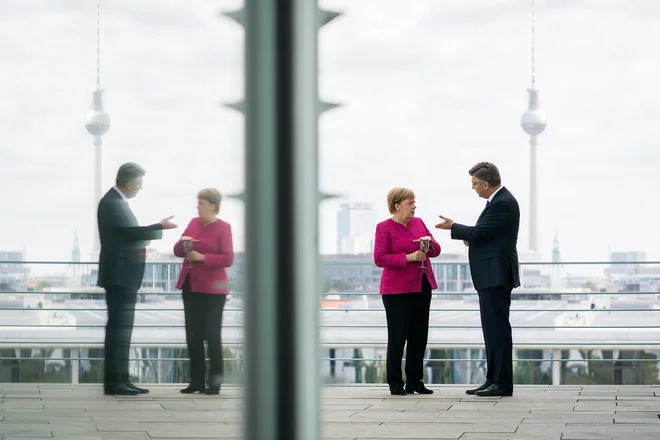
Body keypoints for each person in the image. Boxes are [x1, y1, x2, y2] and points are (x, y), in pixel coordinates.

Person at [435, 162, 519, 397]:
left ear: (485, 183)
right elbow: (488, 234)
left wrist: (454, 227)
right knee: (491, 330)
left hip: (496, 275)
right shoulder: (498, 202)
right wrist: (472, 238)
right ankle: (493, 379)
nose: (473, 189)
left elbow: (479, 232)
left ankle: (501, 383)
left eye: (474, 184)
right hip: (491, 275)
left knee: (497, 330)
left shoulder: (502, 203)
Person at [97, 162, 177, 396]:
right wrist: (159, 227)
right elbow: (129, 234)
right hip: (120, 276)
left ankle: (121, 379)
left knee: (122, 331)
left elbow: (128, 236)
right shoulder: (112, 203)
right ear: (129, 183)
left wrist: (147, 235)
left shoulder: (116, 202)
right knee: (119, 331)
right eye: (139, 185)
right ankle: (115, 382)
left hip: (124, 275)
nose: (140, 189)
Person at [374, 187, 441, 396]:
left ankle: (415, 382)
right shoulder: (384, 227)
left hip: (422, 286)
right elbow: (380, 258)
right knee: (397, 337)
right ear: (397, 205)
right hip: (396, 292)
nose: (414, 206)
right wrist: (408, 257)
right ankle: (395, 383)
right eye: (410, 203)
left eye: (414, 202)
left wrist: (428, 246)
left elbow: (436, 250)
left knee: (419, 337)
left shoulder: (419, 222)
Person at [173, 188, 234, 395]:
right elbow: (176, 250)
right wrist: (183, 246)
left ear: (213, 206)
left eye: (201, 202)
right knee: (193, 335)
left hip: (213, 290)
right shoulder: (193, 223)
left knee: (212, 335)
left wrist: (203, 258)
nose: (197, 206)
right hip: (191, 285)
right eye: (197, 202)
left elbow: (228, 258)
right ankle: (196, 381)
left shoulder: (223, 228)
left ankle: (214, 382)